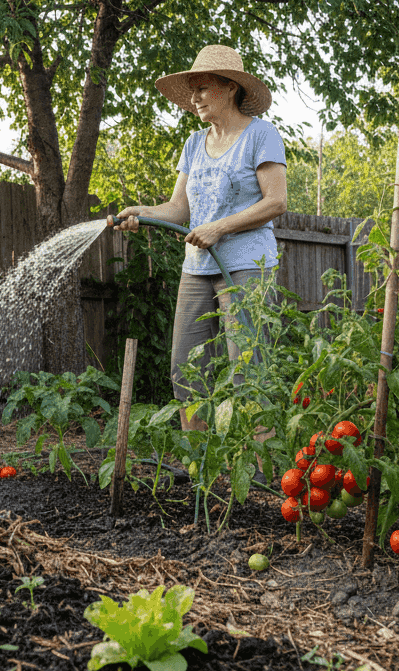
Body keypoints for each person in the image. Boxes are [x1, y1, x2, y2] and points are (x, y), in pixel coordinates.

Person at [109, 44, 288, 435]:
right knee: (186, 368)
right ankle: (200, 469)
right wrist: (142, 212)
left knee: (249, 367)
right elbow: (179, 209)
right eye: (192, 90)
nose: (195, 98)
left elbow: (276, 202)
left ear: (229, 88)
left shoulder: (261, 135)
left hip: (245, 266)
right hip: (197, 266)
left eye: (203, 88)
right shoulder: (194, 144)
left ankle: (260, 472)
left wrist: (219, 227)